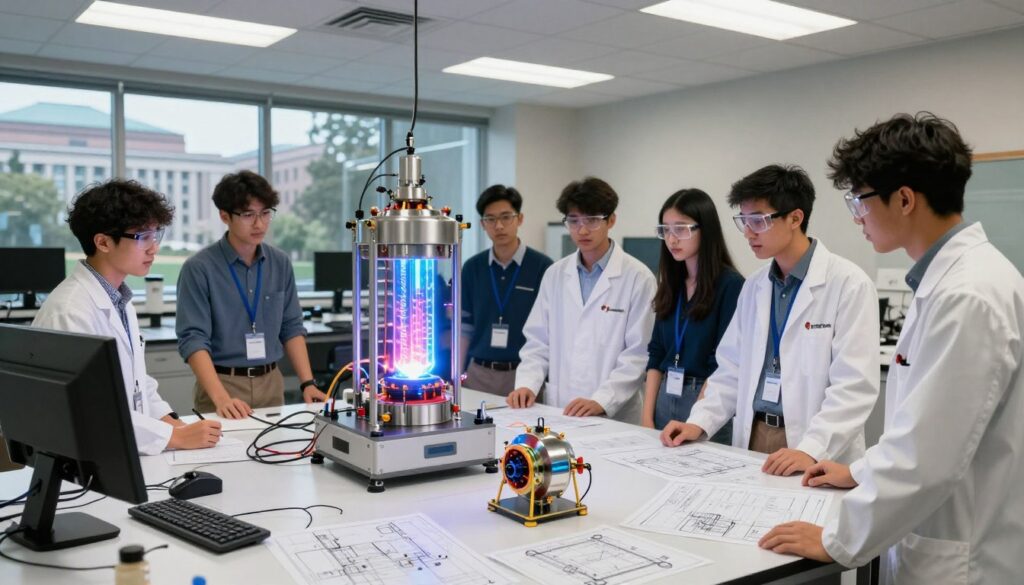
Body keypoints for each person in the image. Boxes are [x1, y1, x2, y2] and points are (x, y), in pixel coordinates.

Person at [759, 113, 1024, 584]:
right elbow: (923, 425)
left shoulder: (967, 295)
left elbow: (928, 456)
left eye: (858, 200)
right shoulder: (948, 283)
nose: (856, 216)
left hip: (964, 560)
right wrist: (860, 471)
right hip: (942, 536)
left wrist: (837, 538)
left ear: (904, 199)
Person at [660, 165, 879, 477]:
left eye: (758, 221)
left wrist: (811, 448)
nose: (748, 232)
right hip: (754, 433)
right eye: (744, 221)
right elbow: (731, 368)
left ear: (795, 218)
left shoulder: (848, 284)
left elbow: (854, 386)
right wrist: (699, 422)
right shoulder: (755, 286)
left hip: (815, 444)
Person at [33, 180, 221, 455]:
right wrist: (174, 437)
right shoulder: (70, 311)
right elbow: (91, 408)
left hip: (121, 451)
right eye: (142, 236)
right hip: (84, 462)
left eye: (156, 234)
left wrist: (171, 422)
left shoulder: (118, 299)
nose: (153, 248)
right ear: (103, 242)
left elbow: (136, 382)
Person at [176, 171, 327, 419]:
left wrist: (307, 383)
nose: (259, 224)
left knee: (275, 443)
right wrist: (221, 398)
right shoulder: (199, 268)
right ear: (225, 216)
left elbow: (291, 326)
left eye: (265, 213)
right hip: (223, 384)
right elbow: (193, 339)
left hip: (271, 381)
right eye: (248, 215)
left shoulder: (280, 263)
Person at [508, 177, 656, 423]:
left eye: (592, 220)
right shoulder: (555, 274)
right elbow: (537, 341)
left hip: (615, 414)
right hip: (561, 406)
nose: (582, 230)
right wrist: (527, 384)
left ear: (611, 220)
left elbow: (638, 354)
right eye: (574, 221)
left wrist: (602, 400)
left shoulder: (639, 278)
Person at [643, 189, 743, 443]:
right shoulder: (672, 283)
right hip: (664, 396)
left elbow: (724, 363)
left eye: (681, 229)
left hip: (706, 400)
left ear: (705, 230)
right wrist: (646, 418)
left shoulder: (731, 285)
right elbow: (656, 353)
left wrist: (696, 420)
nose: (672, 239)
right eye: (665, 230)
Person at [460, 185, 553, 396]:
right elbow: (464, 327)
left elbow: (550, 331)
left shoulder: (543, 267)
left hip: (525, 376)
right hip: (479, 374)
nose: (499, 226)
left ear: (519, 219)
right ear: (482, 224)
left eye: (506, 217)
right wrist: (455, 375)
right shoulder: (472, 267)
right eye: (490, 219)